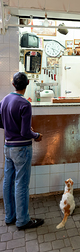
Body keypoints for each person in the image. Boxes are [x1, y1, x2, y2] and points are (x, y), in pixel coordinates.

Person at [0, 72, 44, 230]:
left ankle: (9, 217)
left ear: (14, 84)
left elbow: (1, 122)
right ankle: (23, 221)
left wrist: (12, 127)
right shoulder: (24, 104)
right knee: (21, 184)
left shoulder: (4, 100)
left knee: (8, 182)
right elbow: (26, 132)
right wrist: (37, 135)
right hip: (21, 149)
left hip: (8, 147)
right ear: (27, 85)